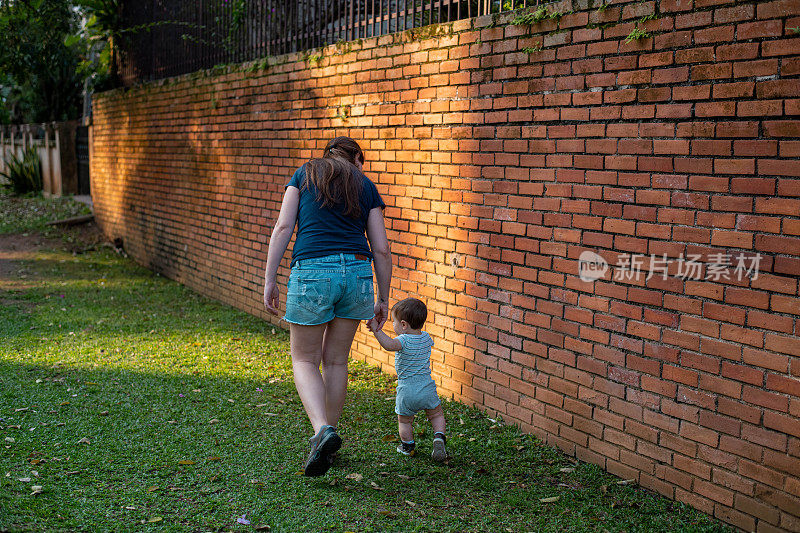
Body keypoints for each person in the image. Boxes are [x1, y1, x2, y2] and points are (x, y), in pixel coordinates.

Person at [263, 137, 392, 477]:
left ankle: (322, 430)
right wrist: (383, 298)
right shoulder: (365, 185)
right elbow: (381, 249)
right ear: (358, 160)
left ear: (326, 156)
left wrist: (269, 279)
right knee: (336, 361)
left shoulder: (304, 174)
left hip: (313, 273)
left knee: (304, 359)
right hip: (358, 275)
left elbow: (283, 227)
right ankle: (327, 436)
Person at [367, 297, 447, 462]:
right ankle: (439, 437)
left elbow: (389, 345)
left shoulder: (402, 340)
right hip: (427, 388)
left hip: (407, 391)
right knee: (437, 414)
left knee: (404, 421)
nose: (393, 326)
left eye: (394, 322)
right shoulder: (426, 338)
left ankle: (407, 446)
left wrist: (376, 330)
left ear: (404, 325)